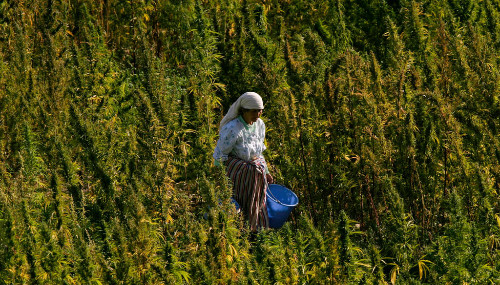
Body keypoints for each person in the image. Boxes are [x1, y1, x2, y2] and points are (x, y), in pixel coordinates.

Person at [213, 92, 273, 231]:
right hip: (238, 173)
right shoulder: (233, 128)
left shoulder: (260, 125)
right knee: (239, 201)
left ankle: (254, 229)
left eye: (260, 111)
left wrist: (267, 172)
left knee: (256, 202)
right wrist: (218, 177)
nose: (258, 114)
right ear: (244, 111)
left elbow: (259, 152)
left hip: (254, 173)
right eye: (254, 111)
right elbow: (220, 153)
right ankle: (239, 229)